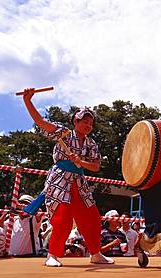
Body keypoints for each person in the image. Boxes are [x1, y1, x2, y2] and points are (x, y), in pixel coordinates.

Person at [22, 88, 112, 266]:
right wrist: (28, 101)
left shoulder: (91, 143)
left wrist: (80, 162)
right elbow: (40, 121)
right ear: (75, 122)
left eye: (91, 123)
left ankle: (95, 253)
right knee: (62, 217)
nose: (88, 125)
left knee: (92, 217)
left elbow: (95, 166)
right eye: (85, 121)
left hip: (79, 180)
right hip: (60, 179)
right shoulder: (63, 134)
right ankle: (53, 255)